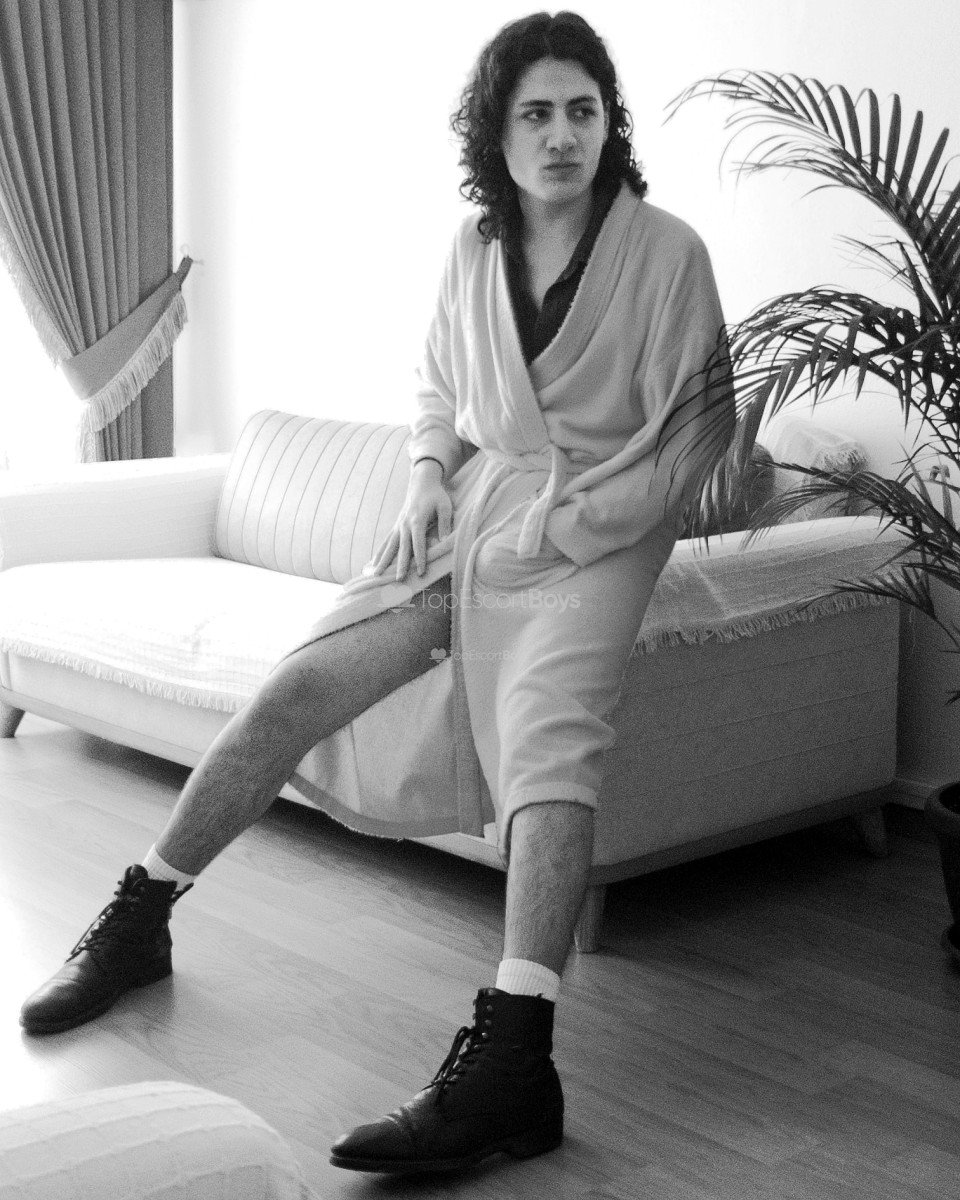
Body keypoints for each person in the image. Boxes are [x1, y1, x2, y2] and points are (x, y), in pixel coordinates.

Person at [19, 10, 732, 1176]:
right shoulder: (472, 247)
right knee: (296, 688)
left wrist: (570, 527)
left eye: (583, 111)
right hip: (474, 516)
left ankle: (515, 1063)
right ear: (497, 134)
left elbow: (697, 439)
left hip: (601, 535)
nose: (562, 136)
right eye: (537, 114)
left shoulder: (668, 254)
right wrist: (424, 479)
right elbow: (437, 387)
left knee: (549, 747)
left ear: (613, 124)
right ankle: (140, 916)